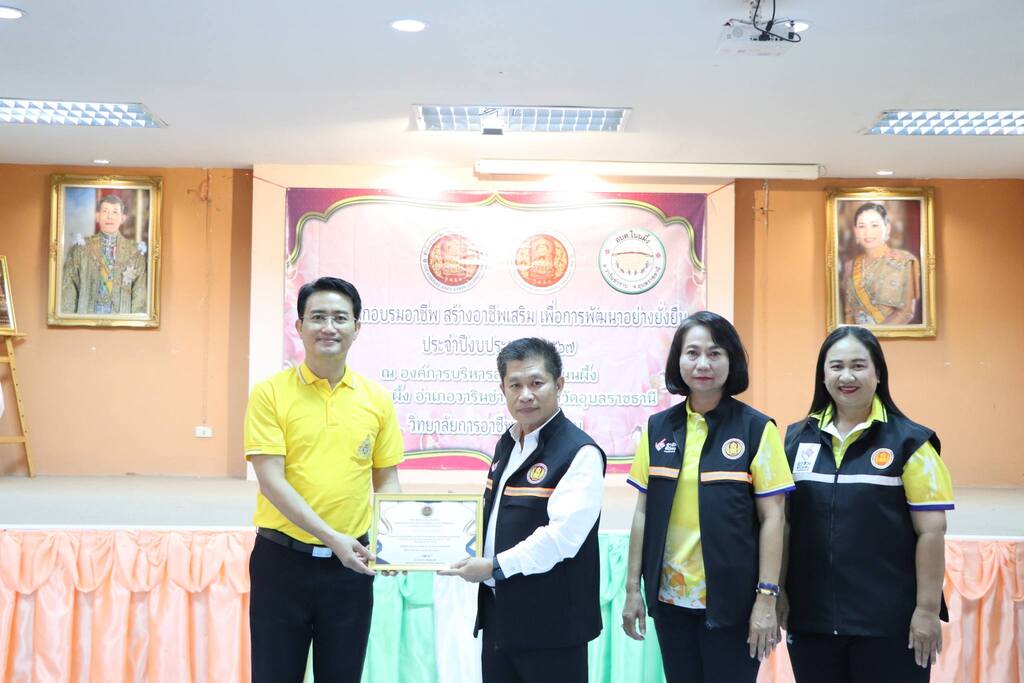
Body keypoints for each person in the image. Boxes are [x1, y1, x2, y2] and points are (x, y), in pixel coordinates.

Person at [244, 276, 404, 683]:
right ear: (299, 326)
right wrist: (333, 539)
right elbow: (271, 482)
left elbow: (387, 480)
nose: (328, 327)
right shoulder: (269, 394)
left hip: (350, 570)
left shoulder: (376, 399)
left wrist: (395, 542)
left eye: (339, 318)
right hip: (281, 562)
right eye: (317, 317)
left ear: (357, 327)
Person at [621, 311, 795, 682]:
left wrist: (766, 598)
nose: (703, 364)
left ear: (731, 361)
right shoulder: (657, 428)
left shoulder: (756, 429)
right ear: (678, 360)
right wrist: (633, 590)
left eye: (715, 353)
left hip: (734, 604)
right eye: (693, 353)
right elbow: (642, 513)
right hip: (670, 601)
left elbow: (773, 518)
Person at [781, 326, 953, 682]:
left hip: (889, 625)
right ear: (823, 375)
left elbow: (932, 533)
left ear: (878, 374)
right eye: (836, 366)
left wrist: (926, 610)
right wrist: (777, 591)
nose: (847, 376)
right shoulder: (795, 439)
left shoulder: (912, 443)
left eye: (858, 365)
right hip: (812, 621)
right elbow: (783, 524)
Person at [441, 337, 605, 683]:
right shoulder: (508, 443)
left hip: (553, 626)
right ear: (502, 389)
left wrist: (495, 566)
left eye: (536, 382)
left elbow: (562, 538)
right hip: (501, 617)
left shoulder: (580, 452)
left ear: (559, 384)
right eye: (515, 385)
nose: (525, 394)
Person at [61, 194, 148, 315]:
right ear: (97, 216)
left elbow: (140, 297)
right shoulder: (80, 249)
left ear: (123, 218)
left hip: (121, 322)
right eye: (105, 211)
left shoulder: (134, 252)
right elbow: (68, 290)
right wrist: (69, 320)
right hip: (86, 319)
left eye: (115, 212)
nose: (109, 216)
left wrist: (131, 324)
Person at [842, 202, 920, 326]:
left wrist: (877, 334)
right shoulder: (850, 266)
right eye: (862, 226)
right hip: (858, 336)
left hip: (891, 334)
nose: (868, 232)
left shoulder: (903, 261)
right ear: (856, 231)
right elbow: (849, 313)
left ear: (887, 228)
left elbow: (906, 312)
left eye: (874, 225)